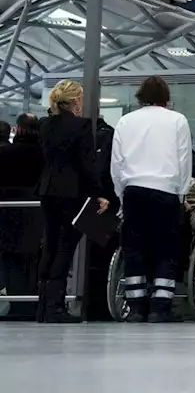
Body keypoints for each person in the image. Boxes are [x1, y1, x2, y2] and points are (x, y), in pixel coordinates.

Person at [109, 76, 192, 323]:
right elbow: (184, 160)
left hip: (133, 190)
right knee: (166, 250)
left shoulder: (126, 121)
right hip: (166, 190)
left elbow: (117, 162)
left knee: (134, 249)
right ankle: (160, 306)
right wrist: (182, 193)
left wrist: (121, 193)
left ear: (140, 96)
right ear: (166, 97)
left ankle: (135, 306)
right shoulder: (177, 120)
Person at [36, 81, 108, 323]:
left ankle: (43, 305)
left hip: (47, 190)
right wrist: (98, 192)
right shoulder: (81, 126)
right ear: (76, 100)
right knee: (66, 245)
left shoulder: (44, 125)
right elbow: (86, 164)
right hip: (72, 192)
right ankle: (56, 306)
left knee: (50, 244)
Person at [0, 113, 43, 318]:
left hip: (8, 211)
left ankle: (17, 304)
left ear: (17, 129)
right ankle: (31, 302)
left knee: (10, 260)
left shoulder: (5, 153)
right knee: (34, 258)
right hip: (36, 213)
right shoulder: (44, 154)